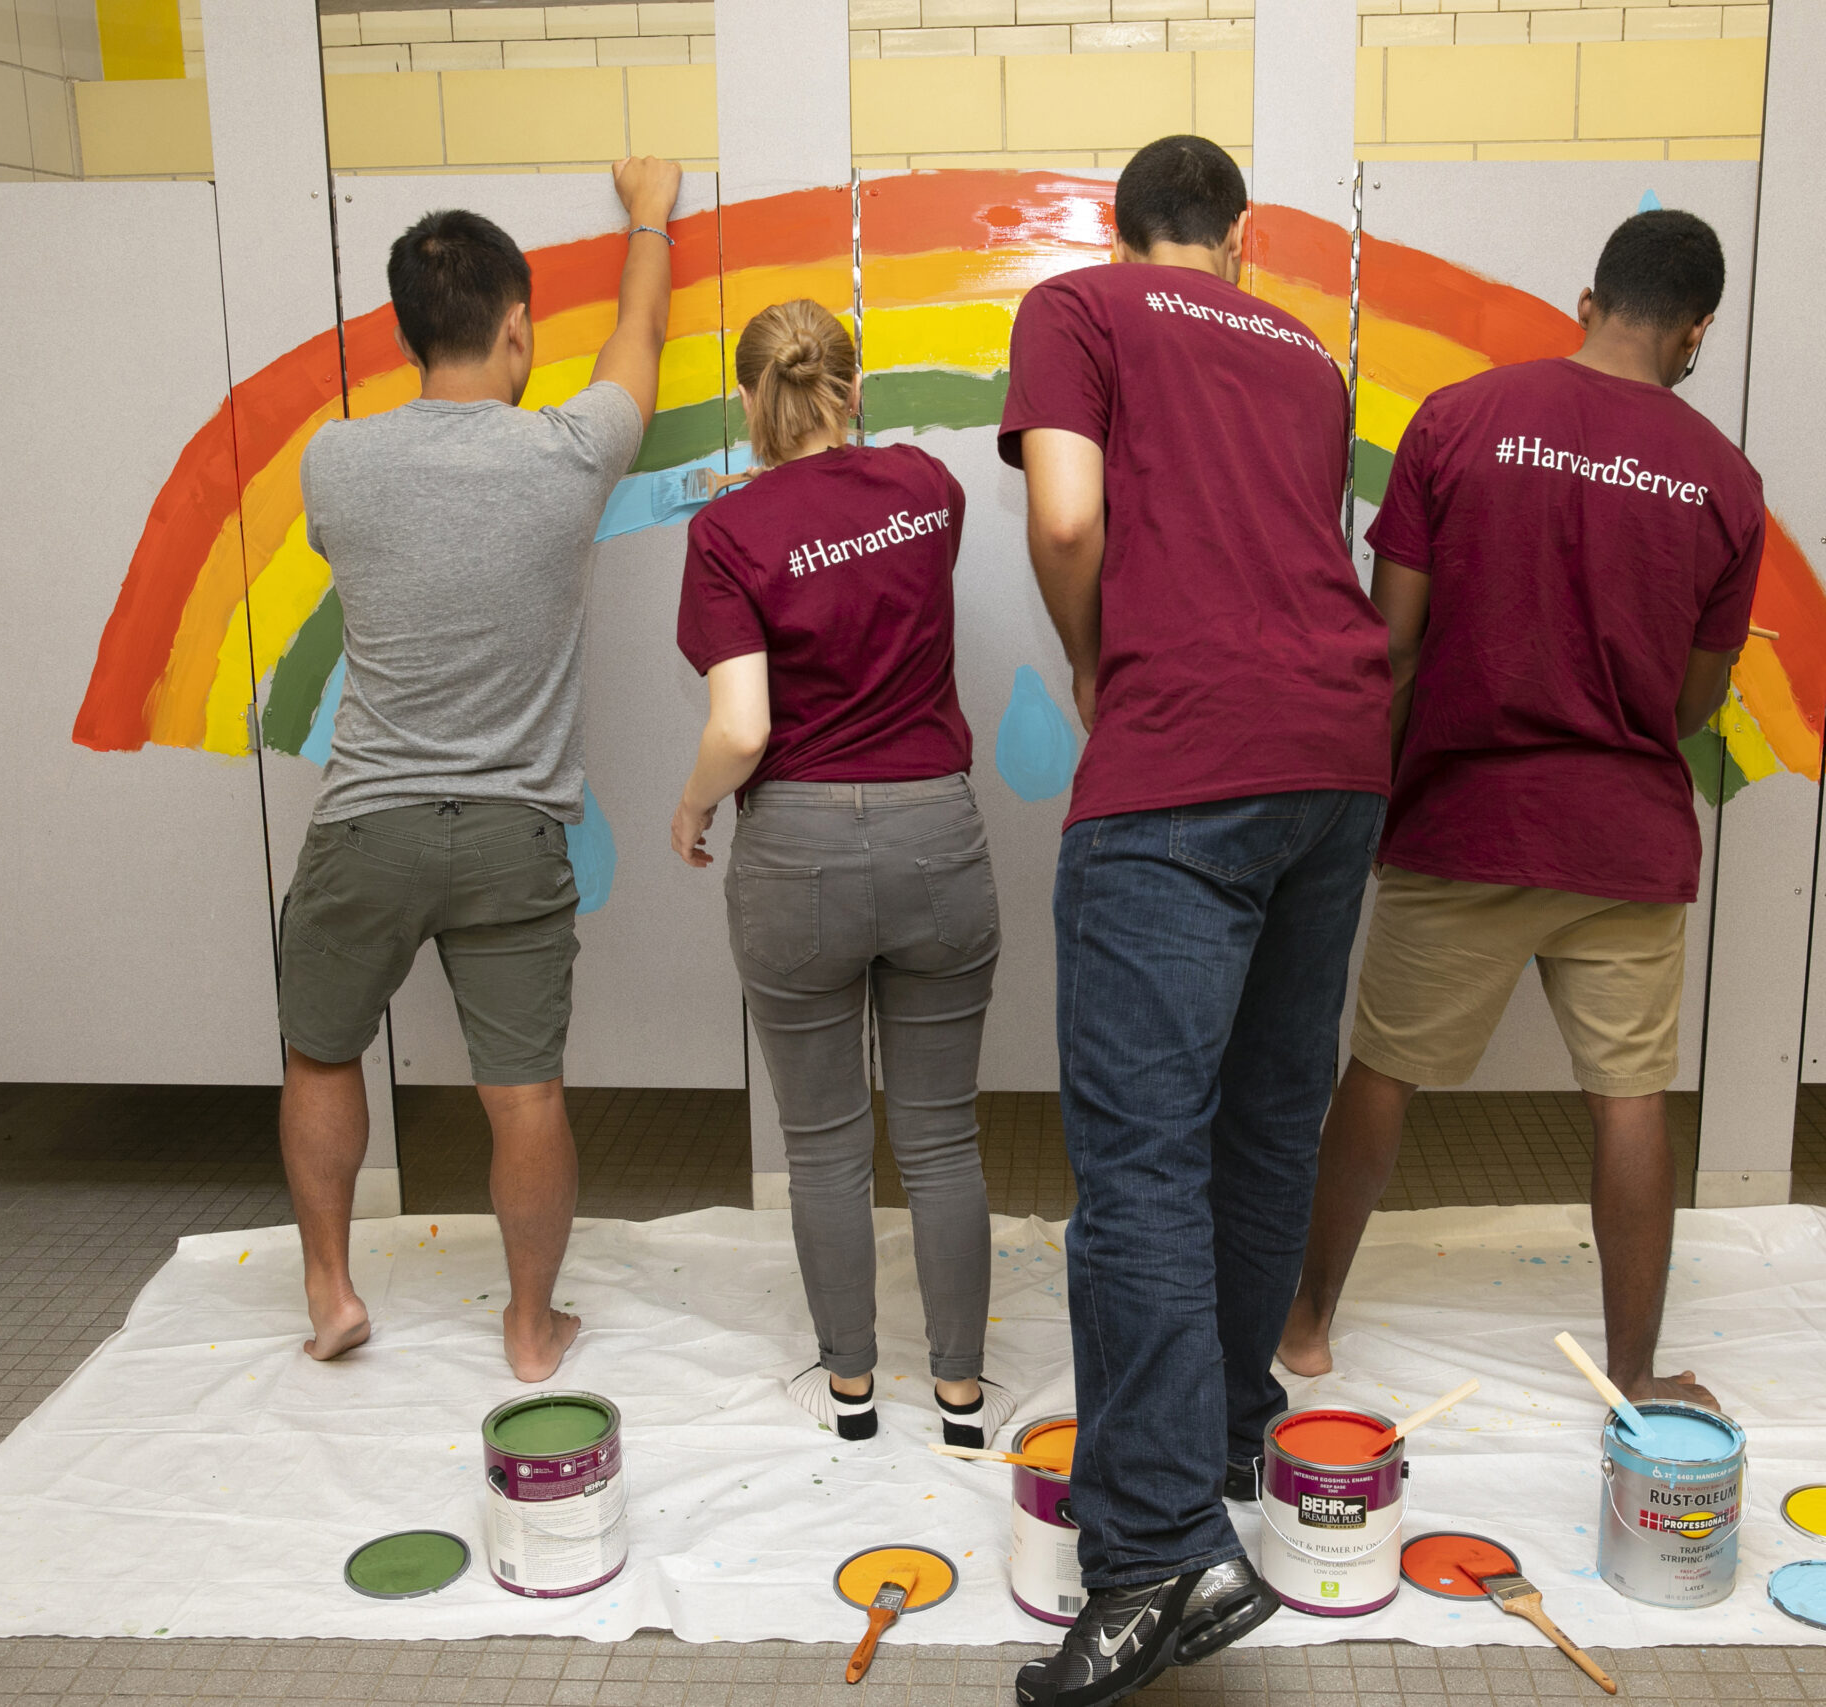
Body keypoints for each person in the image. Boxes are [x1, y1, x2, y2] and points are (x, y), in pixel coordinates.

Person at [999, 136, 1391, 1705]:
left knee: (1145, 1151)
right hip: (1339, 756)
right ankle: (1224, 1436)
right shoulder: (1308, 353)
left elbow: (1071, 520)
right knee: (1265, 1121)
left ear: (1119, 225)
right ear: (1240, 236)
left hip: (1187, 761)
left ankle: (1158, 1547)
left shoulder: (1079, 308)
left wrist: (1096, 666)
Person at [1276, 209, 1763, 1417]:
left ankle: (1306, 1323)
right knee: (1630, 1100)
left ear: (1586, 301)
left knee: (1381, 1075)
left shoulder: (1459, 421)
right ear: (1697, 333)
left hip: (1467, 819)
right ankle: (1638, 1370)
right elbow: (1693, 701)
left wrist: (1359, 808)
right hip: (1624, 839)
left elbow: (1389, 644)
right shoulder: (1725, 482)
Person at [278, 159, 684, 1383]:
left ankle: (331, 1287)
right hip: (512, 832)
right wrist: (650, 217)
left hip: (367, 825)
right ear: (517, 327)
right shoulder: (567, 453)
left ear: (407, 332)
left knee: (320, 1052)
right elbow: (640, 334)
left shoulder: (334, 465)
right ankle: (527, 1326)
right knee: (524, 1095)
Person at [671, 300, 1010, 1451]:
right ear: (852, 389)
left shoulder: (727, 531)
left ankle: (854, 1388)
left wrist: (691, 801)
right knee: (941, 1136)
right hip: (935, 838)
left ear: (748, 401)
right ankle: (961, 1396)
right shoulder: (929, 488)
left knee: (821, 1141)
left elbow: (743, 727)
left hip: (799, 854)